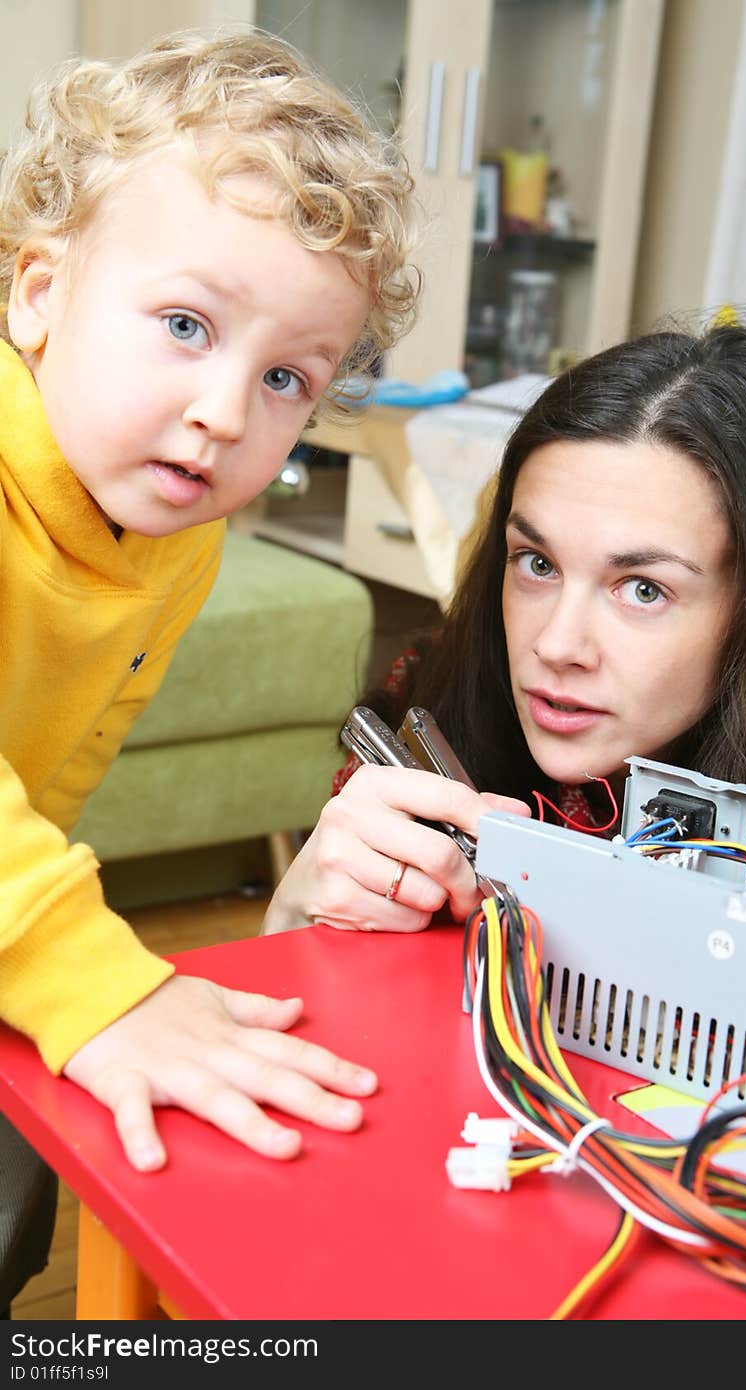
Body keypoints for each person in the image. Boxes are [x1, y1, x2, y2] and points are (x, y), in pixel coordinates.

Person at [0, 26, 419, 1313]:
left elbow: (46, 774)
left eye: (286, 375)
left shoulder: (172, 534)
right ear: (36, 295)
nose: (227, 411)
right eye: (185, 323)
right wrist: (85, 973)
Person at [261, 321, 746, 941]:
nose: (555, 646)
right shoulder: (436, 699)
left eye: (643, 589)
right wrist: (291, 914)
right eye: (537, 563)